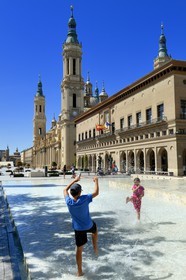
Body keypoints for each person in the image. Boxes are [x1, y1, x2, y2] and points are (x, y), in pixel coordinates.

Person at [63, 175, 99, 277]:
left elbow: (65, 189)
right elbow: (96, 192)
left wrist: (74, 180)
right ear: (79, 192)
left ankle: (79, 271)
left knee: (79, 249)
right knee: (95, 230)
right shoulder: (84, 199)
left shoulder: (68, 202)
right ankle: (95, 247)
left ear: (71, 193)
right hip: (89, 225)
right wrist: (96, 181)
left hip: (78, 229)